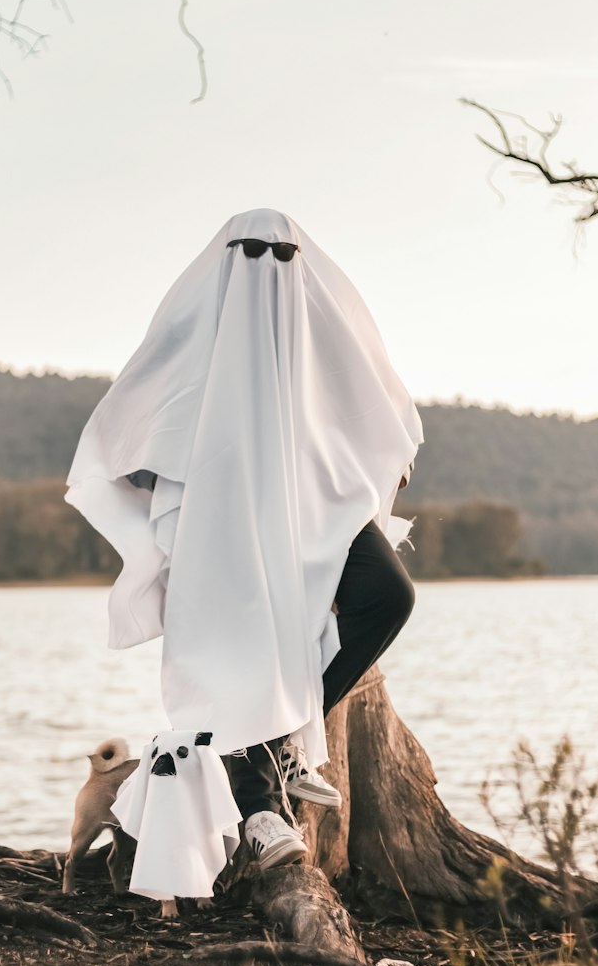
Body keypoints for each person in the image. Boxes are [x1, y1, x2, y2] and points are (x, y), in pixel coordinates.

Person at [65, 209, 423, 872]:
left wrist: (383, 453)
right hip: (221, 519)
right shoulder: (196, 333)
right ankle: (259, 809)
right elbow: (141, 410)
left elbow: (369, 397)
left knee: (387, 595)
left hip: (317, 507)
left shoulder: (315, 332)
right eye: (254, 253)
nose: (270, 268)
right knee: (242, 641)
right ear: (226, 264)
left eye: (282, 254)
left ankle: (282, 738)